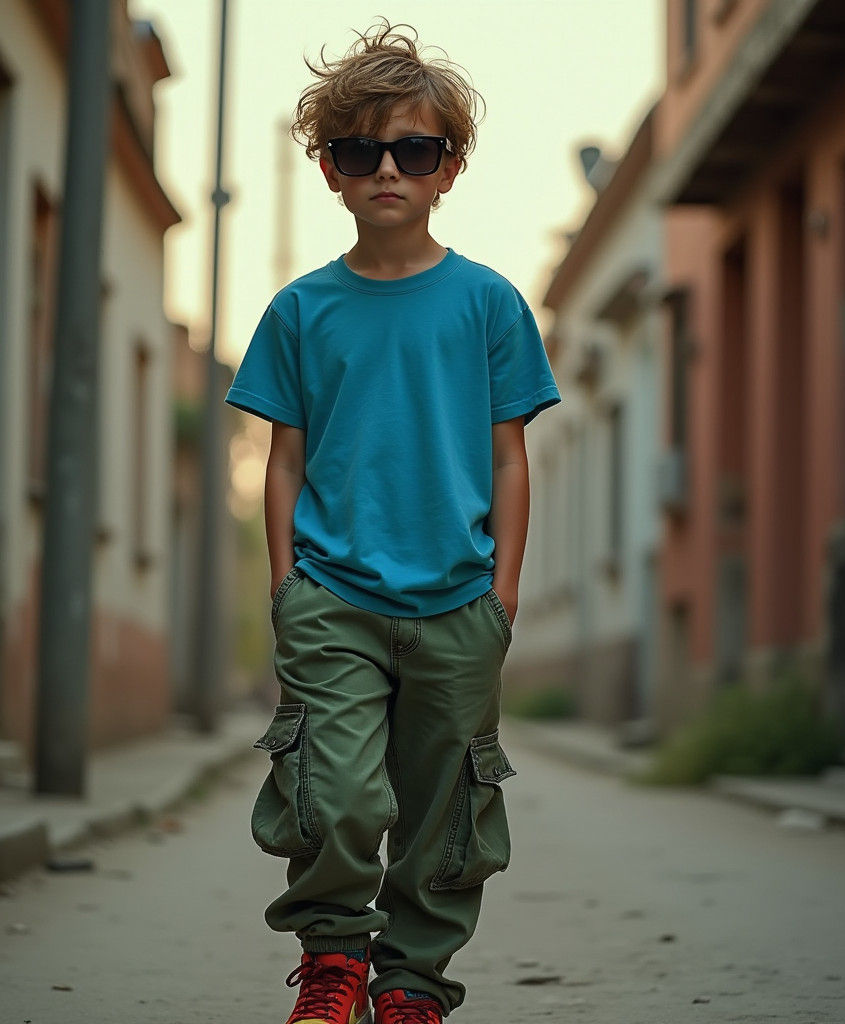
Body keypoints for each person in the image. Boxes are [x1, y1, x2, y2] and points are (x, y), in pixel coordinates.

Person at [226, 19, 560, 1024]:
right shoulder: (298, 310)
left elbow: (510, 457)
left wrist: (501, 597)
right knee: (337, 796)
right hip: (332, 595)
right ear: (329, 169)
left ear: (448, 166)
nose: (386, 169)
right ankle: (333, 962)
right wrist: (285, 584)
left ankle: (411, 983)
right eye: (357, 150)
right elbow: (282, 458)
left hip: (459, 597)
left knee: (443, 814)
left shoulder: (490, 304)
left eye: (412, 150)